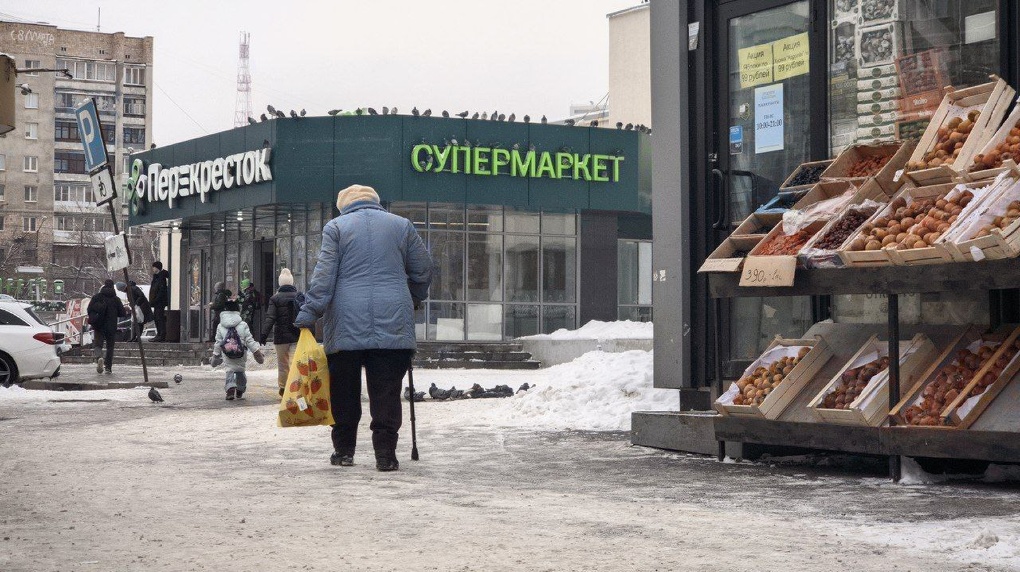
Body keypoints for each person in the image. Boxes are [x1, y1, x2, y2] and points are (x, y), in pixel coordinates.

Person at [294, 184, 432, 472]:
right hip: (393, 321)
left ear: (344, 206)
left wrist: (310, 311)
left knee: (344, 392)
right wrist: (414, 296)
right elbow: (423, 268)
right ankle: (386, 455)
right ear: (376, 203)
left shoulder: (337, 227)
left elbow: (324, 275)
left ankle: (344, 451)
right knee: (386, 392)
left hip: (345, 324)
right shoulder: (401, 226)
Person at [210, 300, 264, 400]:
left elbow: (218, 342)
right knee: (240, 370)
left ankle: (230, 389)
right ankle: (240, 389)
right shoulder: (243, 324)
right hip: (241, 352)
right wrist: (257, 353)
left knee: (229, 370)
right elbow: (249, 340)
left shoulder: (220, 326)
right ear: (237, 310)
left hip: (227, 353)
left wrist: (215, 355)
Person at [260, 268, 301, 397]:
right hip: (297, 335)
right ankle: (297, 386)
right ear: (292, 283)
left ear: (280, 283)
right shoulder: (299, 297)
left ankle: (283, 388)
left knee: (283, 364)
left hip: (281, 337)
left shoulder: (275, 299)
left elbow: (270, 318)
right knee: (296, 362)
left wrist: (264, 334)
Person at [86, 279, 128, 375]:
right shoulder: (116, 299)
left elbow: (89, 309)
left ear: (104, 286)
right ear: (113, 287)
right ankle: (108, 367)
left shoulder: (97, 297)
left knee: (98, 344)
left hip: (98, 325)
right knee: (110, 347)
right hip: (111, 326)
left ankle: (99, 357)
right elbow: (122, 313)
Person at [149, 261, 170, 342]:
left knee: (159, 318)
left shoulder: (161, 278)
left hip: (159, 302)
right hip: (156, 302)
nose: (152, 269)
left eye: (154, 267)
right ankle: (159, 334)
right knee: (157, 318)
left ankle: (161, 335)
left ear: (157, 268)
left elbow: (161, 291)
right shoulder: (156, 277)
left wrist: (155, 300)